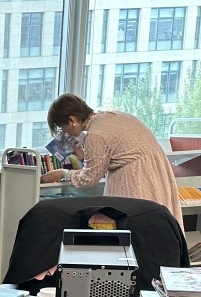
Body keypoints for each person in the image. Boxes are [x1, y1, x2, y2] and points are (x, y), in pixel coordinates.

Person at [41, 93, 183, 228]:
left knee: (134, 226)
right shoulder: (112, 116)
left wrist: (64, 173)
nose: (64, 133)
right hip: (157, 170)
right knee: (155, 225)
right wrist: (84, 156)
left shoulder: (95, 135)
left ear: (72, 120)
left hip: (135, 178)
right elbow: (118, 151)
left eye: (62, 127)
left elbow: (88, 178)